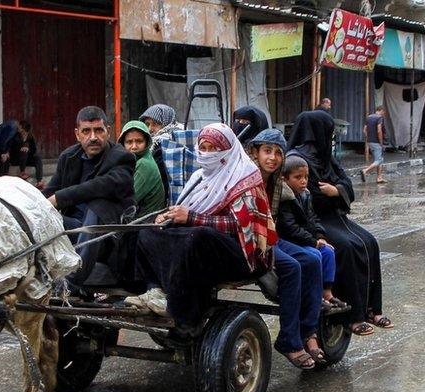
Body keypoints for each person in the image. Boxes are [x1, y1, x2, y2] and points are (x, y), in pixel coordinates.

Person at [128, 124, 277, 340]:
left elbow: (241, 226)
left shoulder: (244, 177)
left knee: (196, 237)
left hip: (243, 254)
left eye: (213, 149)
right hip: (204, 246)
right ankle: (153, 290)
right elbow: (186, 208)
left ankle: (185, 316)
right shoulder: (200, 176)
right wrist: (168, 218)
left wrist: (191, 218)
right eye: (203, 148)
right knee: (146, 232)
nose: (206, 154)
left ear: (227, 150)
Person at [286, 109, 392, 335]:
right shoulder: (297, 158)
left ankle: (372, 309)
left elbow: (346, 184)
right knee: (346, 247)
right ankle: (352, 316)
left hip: (335, 216)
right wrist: (333, 191)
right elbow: (310, 193)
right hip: (313, 220)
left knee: (370, 242)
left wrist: (337, 190)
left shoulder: (325, 157)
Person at [247, 129, 326, 367]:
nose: (272, 158)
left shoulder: (278, 182)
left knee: (313, 260)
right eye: (267, 151)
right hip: (251, 238)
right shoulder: (248, 176)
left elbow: (283, 217)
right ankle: (289, 341)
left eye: (278, 153)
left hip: (270, 235)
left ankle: (309, 332)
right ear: (256, 153)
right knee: (292, 267)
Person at [43, 106, 135, 287]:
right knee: (42, 214)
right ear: (78, 134)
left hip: (107, 240)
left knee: (98, 205)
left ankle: (72, 282)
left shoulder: (122, 158)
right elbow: (49, 192)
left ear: (108, 131)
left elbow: (102, 186)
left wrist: (59, 198)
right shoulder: (69, 157)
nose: (93, 137)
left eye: (99, 130)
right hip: (74, 232)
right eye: (86, 131)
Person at [278, 155, 345, 311]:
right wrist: (313, 242)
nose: (303, 181)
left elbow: (313, 219)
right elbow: (290, 228)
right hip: (291, 241)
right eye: (298, 177)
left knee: (328, 251)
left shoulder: (306, 194)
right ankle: (313, 296)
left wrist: (320, 237)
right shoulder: (285, 198)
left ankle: (327, 293)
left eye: (306, 177)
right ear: (285, 179)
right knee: (314, 256)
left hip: (306, 238)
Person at [118, 120, 166, 218]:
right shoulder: (132, 162)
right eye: (129, 142)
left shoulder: (144, 164)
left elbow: (125, 201)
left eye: (139, 141)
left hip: (143, 225)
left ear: (147, 142)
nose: (134, 147)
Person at [140, 104, 180, 191]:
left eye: (155, 124)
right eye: (147, 124)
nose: (150, 129)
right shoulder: (151, 143)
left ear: (166, 124)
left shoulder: (164, 143)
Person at [361, 105, 387, 184]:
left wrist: (368, 137)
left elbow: (364, 130)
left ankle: (379, 177)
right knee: (379, 160)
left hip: (370, 141)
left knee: (379, 159)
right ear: (381, 110)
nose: (383, 114)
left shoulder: (369, 117)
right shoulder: (379, 118)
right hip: (376, 142)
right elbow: (379, 131)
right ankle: (365, 171)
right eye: (383, 112)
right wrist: (381, 142)